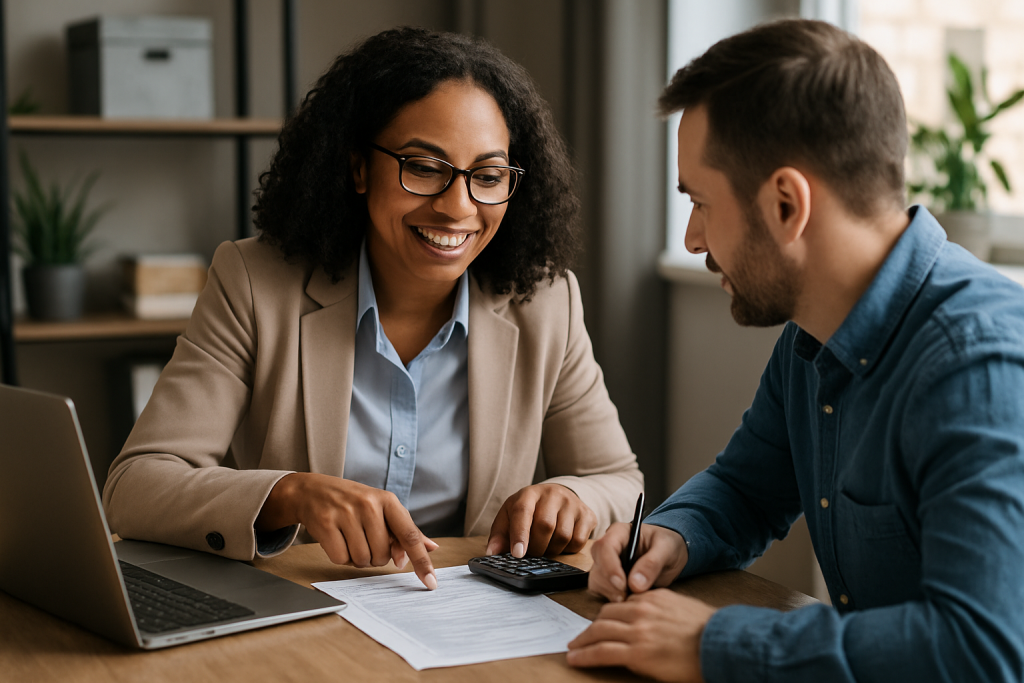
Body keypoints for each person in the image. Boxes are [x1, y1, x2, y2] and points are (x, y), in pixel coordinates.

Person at [103, 27, 642, 591]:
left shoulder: (546, 304)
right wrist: (288, 494)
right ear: (359, 168)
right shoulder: (255, 283)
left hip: (471, 622)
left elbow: (618, 480)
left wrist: (573, 497)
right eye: (425, 167)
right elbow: (136, 485)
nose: (458, 207)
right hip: (304, 617)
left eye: (486, 177)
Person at [567, 18, 1024, 682]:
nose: (693, 239)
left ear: (786, 203)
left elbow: (980, 647)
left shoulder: (978, 365)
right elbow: (747, 488)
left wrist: (717, 642)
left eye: (700, 202)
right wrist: (675, 534)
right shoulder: (813, 334)